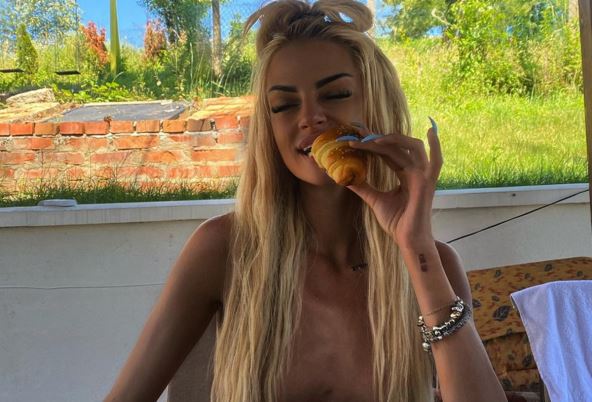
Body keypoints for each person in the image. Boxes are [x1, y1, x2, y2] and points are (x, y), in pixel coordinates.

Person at [105, 1, 506, 401]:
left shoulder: (434, 264)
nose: (310, 117)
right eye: (284, 105)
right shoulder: (225, 249)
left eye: (335, 94)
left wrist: (416, 247)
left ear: (376, 105)